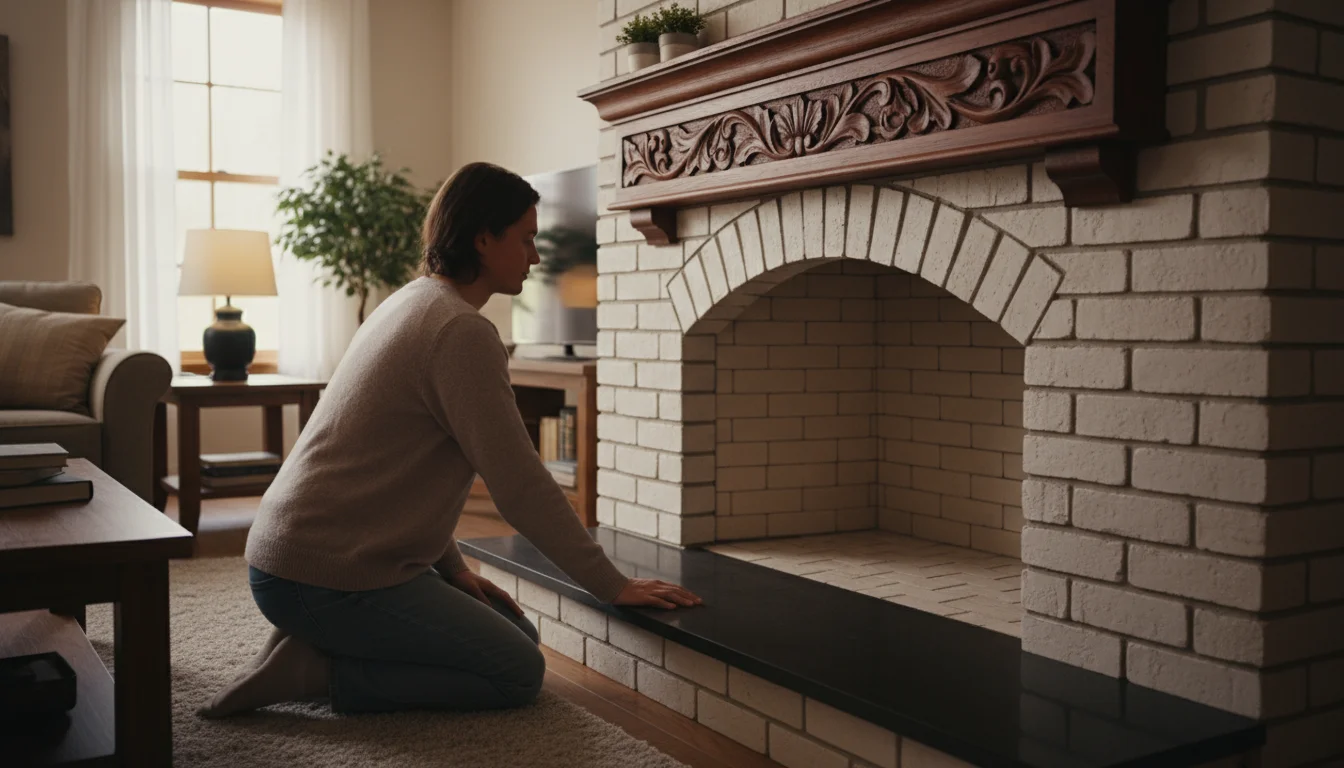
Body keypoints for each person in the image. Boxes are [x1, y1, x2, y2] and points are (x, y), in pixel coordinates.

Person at [200, 162, 702, 718]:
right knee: (517, 672)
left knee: (517, 633)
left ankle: (317, 640)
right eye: (527, 238)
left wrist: (454, 571)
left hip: (297, 559)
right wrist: (612, 585)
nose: (536, 256)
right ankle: (317, 669)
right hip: (322, 575)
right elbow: (520, 486)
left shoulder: (413, 302)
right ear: (484, 239)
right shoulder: (460, 332)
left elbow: (403, 473)